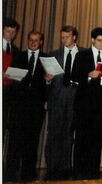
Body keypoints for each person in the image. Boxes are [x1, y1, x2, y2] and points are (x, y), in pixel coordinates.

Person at [71, 27, 102, 179]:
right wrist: (89, 75)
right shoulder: (82, 55)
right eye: (99, 41)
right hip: (84, 102)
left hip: (101, 103)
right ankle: (79, 169)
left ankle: (93, 168)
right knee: (82, 136)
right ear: (92, 40)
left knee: (98, 137)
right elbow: (75, 75)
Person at [4, 31, 48, 181]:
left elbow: (48, 86)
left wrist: (48, 80)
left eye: (36, 40)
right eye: (31, 40)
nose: (33, 42)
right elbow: (11, 79)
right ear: (27, 40)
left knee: (32, 141)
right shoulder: (18, 56)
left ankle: (28, 173)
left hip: (36, 108)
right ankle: (10, 173)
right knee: (15, 140)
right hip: (19, 106)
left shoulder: (46, 59)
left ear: (41, 42)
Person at [45, 25, 86, 179]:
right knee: (54, 134)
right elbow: (47, 81)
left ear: (74, 37)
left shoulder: (84, 53)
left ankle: (66, 167)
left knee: (69, 134)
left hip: (76, 99)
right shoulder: (53, 54)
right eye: (62, 37)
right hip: (57, 99)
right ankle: (52, 168)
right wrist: (48, 80)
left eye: (67, 37)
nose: (64, 40)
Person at [2, 18, 20, 145]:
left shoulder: (16, 50)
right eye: (8, 31)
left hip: (9, 93)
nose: (11, 35)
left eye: (13, 32)